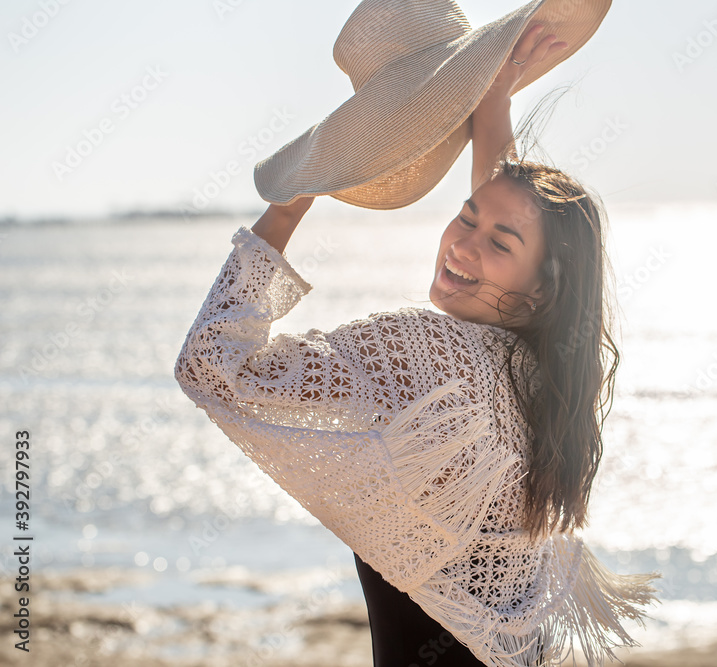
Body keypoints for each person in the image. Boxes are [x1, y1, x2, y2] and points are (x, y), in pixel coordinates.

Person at [175, 22, 658, 667]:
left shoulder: (421, 353)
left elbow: (212, 367)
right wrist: (492, 102)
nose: (462, 244)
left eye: (497, 241)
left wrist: (293, 203)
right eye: (465, 217)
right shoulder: (542, 374)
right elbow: (508, 228)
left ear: (539, 291)